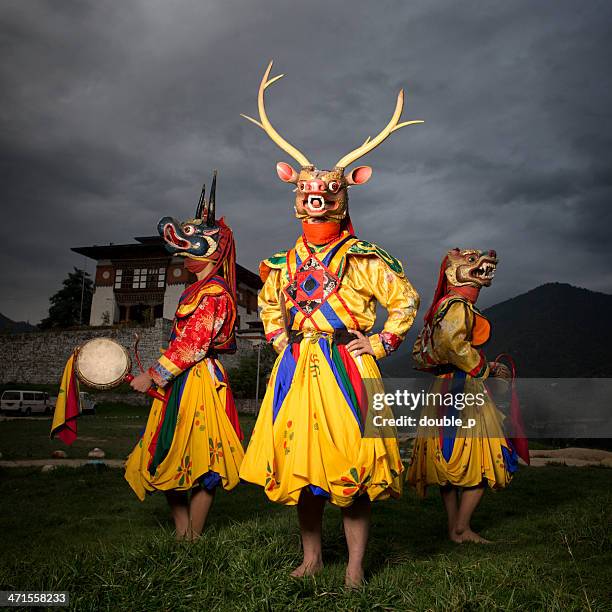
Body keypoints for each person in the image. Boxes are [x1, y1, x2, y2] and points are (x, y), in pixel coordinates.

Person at [238, 62, 421, 586]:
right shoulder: (280, 263)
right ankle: (313, 558)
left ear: (345, 195)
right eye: (307, 192)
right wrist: (278, 341)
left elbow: (404, 300)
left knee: (353, 471)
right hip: (298, 369)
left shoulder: (364, 259)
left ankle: (357, 567)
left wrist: (381, 342)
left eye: (327, 193)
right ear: (295, 194)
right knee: (305, 474)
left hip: (349, 368)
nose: (316, 199)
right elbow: (271, 305)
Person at [125, 171, 244, 540]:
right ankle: (183, 532)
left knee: (202, 458)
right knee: (165, 451)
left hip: (197, 383)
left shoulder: (214, 293)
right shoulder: (196, 291)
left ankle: (193, 532)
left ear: (214, 247)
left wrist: (154, 375)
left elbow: (194, 344)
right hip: (181, 381)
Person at [407, 248, 526, 543]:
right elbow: (453, 344)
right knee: (485, 456)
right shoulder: (457, 305)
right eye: (471, 262)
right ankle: (461, 528)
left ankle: (455, 528)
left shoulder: (443, 306)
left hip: (445, 385)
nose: (481, 265)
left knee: (448, 460)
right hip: (463, 386)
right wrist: (486, 368)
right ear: (453, 272)